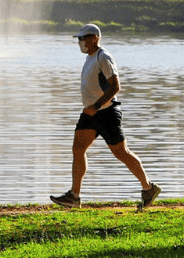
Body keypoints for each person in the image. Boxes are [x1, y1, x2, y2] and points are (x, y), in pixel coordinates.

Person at [50, 23, 161, 210]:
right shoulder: (90, 58)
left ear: (95, 38)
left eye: (83, 38)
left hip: (106, 112)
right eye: (79, 39)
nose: (80, 42)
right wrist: (91, 108)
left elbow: (115, 86)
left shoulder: (104, 57)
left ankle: (148, 188)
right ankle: (74, 196)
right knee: (78, 149)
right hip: (90, 114)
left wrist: (97, 105)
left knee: (121, 153)